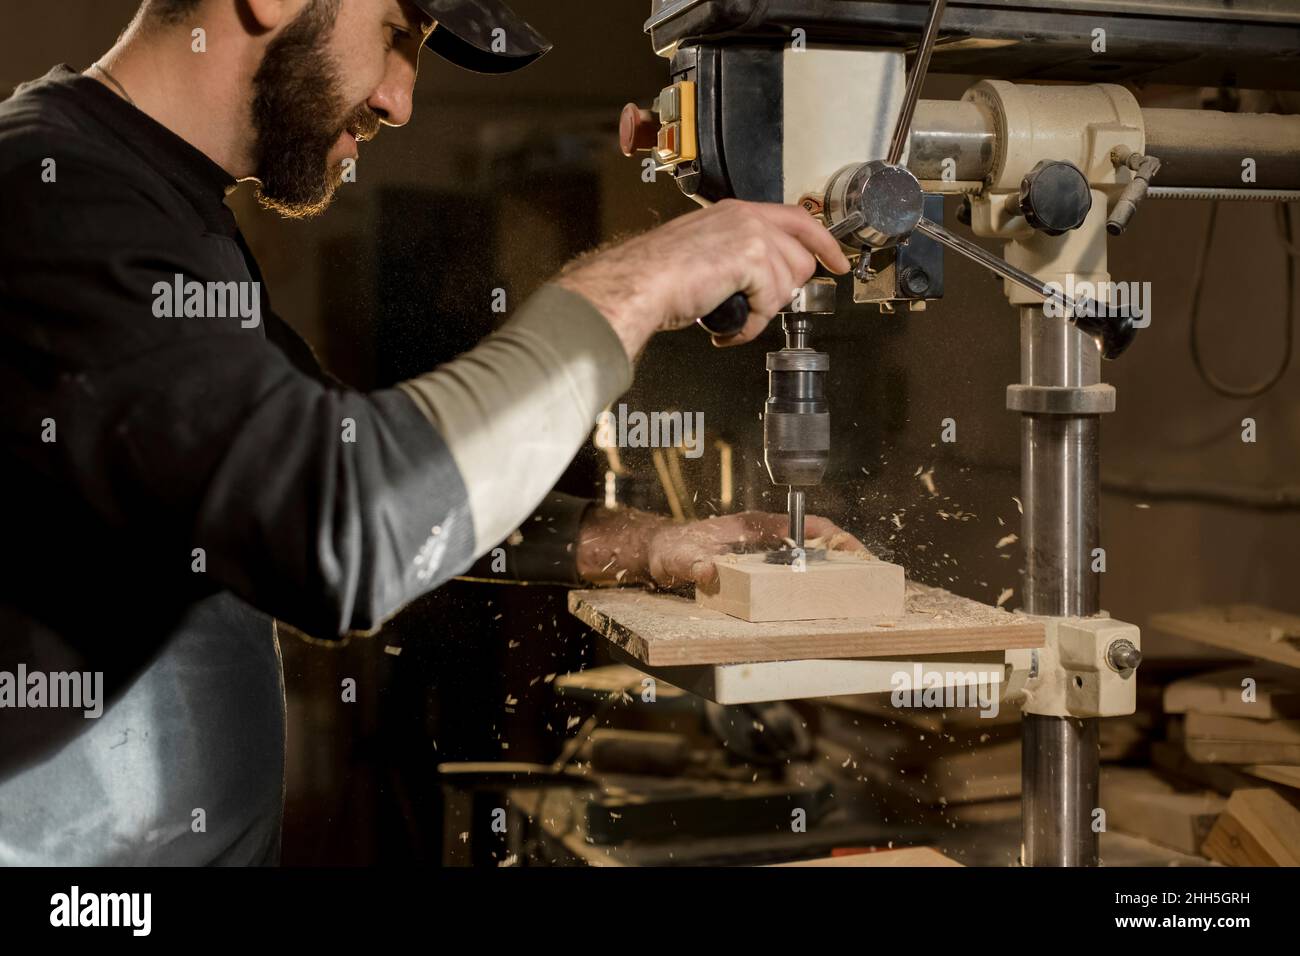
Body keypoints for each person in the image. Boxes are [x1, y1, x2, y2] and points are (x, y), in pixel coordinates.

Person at [0, 0, 857, 864]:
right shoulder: (52, 192)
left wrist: (654, 544)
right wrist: (637, 284)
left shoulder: (163, 207)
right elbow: (340, 526)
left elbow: (381, 477)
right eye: (398, 38)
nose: (400, 102)